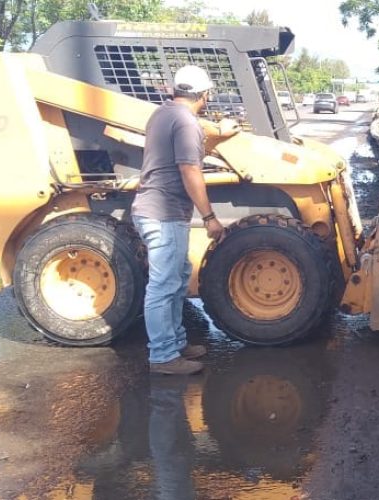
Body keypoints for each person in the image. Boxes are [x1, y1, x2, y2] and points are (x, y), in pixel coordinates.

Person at [132, 65, 227, 375]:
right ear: (204, 94)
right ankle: (163, 357)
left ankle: (175, 343)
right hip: (164, 212)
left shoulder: (162, 113)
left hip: (156, 209)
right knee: (164, 286)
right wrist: (209, 217)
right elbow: (189, 170)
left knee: (176, 278)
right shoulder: (186, 122)